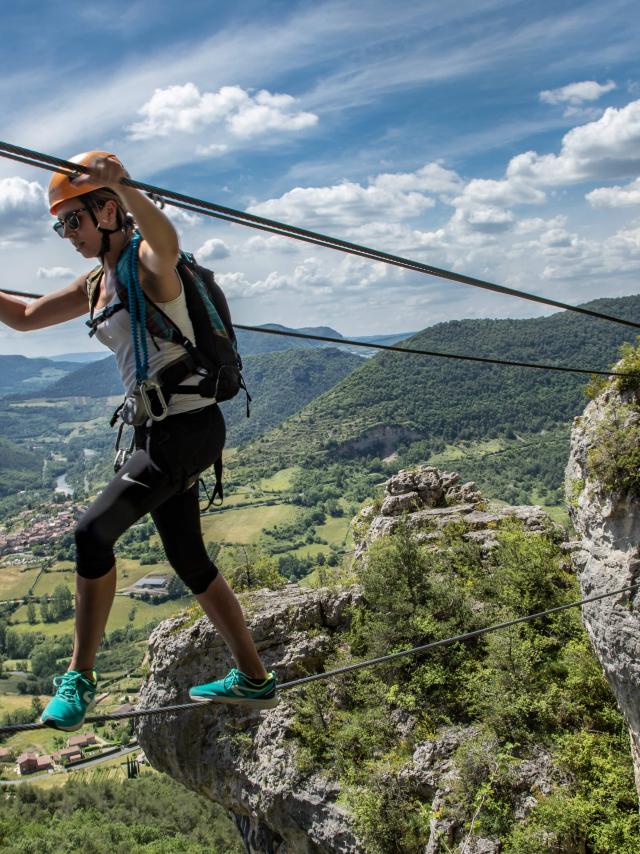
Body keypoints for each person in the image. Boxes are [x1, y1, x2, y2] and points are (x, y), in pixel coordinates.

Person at [0, 152, 277, 731]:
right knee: (189, 558)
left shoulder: (148, 267)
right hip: (165, 431)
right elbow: (25, 316)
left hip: (186, 429)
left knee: (90, 533)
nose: (65, 235)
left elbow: (166, 239)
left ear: (106, 212)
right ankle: (254, 677)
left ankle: (78, 678)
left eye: (71, 221)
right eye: (60, 226)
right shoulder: (100, 281)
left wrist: (124, 187)